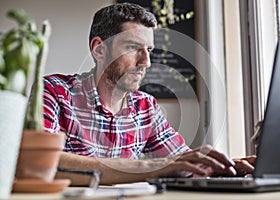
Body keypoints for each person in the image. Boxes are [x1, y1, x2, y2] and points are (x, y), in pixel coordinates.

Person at [43, 2, 255, 186]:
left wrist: (224, 166)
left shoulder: (146, 107)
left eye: (149, 50)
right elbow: (41, 162)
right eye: (133, 47)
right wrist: (151, 166)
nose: (146, 62)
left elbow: (181, 163)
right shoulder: (54, 92)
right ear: (99, 50)